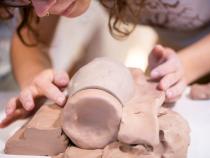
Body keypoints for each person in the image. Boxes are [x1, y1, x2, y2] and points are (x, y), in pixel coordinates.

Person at [1, 0, 209, 127]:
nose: (40, 10)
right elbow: (30, 37)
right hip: (174, 48)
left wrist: (189, 64)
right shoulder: (43, 5)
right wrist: (34, 75)